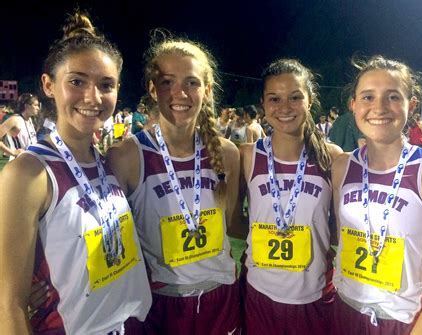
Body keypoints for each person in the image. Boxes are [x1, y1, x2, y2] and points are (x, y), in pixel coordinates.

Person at [0, 11, 151, 334]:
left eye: (105, 85)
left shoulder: (107, 163)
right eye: (77, 81)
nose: (92, 97)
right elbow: (8, 304)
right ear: (48, 85)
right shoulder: (28, 174)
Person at [107, 34, 242, 334]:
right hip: (159, 303)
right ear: (152, 90)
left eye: (191, 82)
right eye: (167, 82)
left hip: (220, 297)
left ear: (206, 90)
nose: (179, 92)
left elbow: (231, 222)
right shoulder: (127, 156)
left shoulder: (227, 154)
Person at [331, 55, 422, 335]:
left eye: (393, 97)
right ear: (353, 106)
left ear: (411, 105)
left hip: (406, 323)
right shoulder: (341, 167)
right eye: (368, 97)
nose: (379, 107)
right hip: (341, 314)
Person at [238, 59, 342, 334]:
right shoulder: (248, 155)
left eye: (295, 97)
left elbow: (338, 229)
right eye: (275, 99)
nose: (285, 107)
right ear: (263, 103)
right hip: (258, 293)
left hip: (315, 294)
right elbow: (234, 220)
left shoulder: (332, 157)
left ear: (310, 100)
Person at [0, 93, 39, 160]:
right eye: (35, 105)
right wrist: (13, 152)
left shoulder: (29, 120)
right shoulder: (15, 119)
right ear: (26, 106)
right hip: (18, 164)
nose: (38, 108)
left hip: (30, 162)